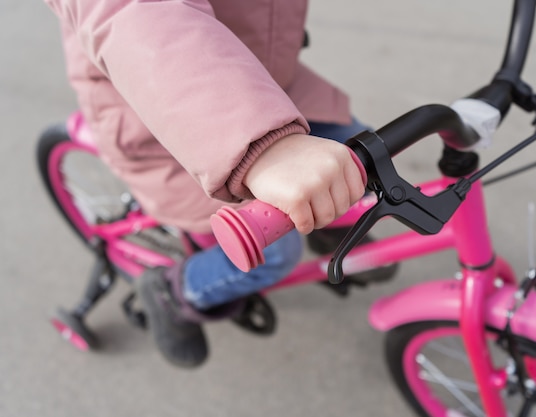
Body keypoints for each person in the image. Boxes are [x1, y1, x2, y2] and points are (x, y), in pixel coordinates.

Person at [44, 0, 396, 368]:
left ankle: (325, 215)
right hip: (162, 116)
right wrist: (261, 144)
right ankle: (175, 290)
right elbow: (133, 12)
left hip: (263, 77)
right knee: (274, 256)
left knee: (364, 147)